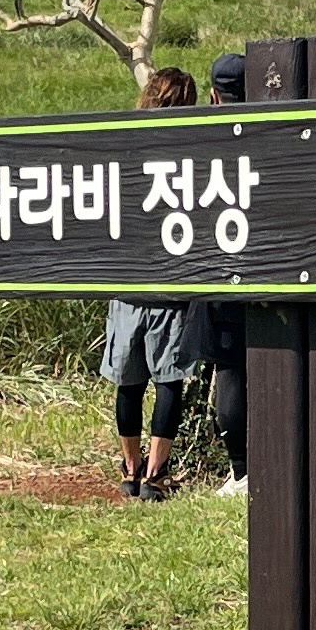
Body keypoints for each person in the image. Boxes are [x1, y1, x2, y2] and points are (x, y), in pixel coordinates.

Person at [100, 68, 205, 497]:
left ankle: (129, 469)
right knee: (168, 382)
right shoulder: (194, 151)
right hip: (171, 286)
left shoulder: (125, 144)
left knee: (129, 382)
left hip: (128, 284)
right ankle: (156, 475)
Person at [190, 50, 253, 495]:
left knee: (230, 372)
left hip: (221, 273)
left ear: (214, 96)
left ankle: (242, 470)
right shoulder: (282, 130)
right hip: (282, 274)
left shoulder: (199, 138)